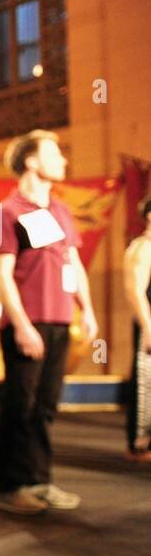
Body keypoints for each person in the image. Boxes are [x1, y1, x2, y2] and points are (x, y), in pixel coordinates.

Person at [0, 130, 98, 515]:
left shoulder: (61, 210)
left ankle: (39, 480)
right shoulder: (7, 211)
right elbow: (1, 273)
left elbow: (73, 263)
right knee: (20, 404)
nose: (63, 161)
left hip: (58, 321)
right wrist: (20, 325)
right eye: (55, 153)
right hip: (28, 323)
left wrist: (88, 309)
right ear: (31, 161)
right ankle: (8, 484)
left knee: (45, 406)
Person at [122, 196, 151, 462]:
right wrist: (148, 327)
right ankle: (140, 443)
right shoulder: (142, 248)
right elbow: (135, 291)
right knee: (146, 384)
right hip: (149, 325)